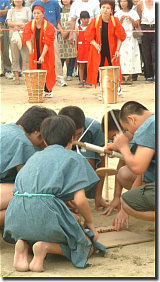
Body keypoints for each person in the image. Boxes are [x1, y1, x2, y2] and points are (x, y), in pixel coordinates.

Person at [2, 115, 106, 272]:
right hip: (45, 213)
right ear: (72, 139)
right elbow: (80, 200)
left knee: (36, 230)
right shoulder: (73, 158)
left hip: (15, 215)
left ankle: (23, 246)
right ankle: (44, 248)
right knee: (87, 245)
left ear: (43, 140)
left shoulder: (34, 156)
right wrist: (90, 223)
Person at [0, 106, 57, 227]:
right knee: (32, 200)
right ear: (37, 131)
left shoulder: (5, 129)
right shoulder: (24, 143)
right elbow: (30, 185)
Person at [105, 101, 155, 231]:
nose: (128, 133)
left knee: (127, 203)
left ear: (132, 119)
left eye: (126, 129)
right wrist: (118, 146)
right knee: (126, 175)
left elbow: (139, 168)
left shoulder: (148, 127)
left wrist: (124, 147)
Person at [58, 105, 107, 211]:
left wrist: (98, 196)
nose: (75, 139)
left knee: (86, 160)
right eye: (71, 135)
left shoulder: (95, 128)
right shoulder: (54, 129)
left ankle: (81, 197)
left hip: (88, 161)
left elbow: (102, 165)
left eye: (79, 133)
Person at [84, 0, 126, 91]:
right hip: (99, 50)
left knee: (113, 68)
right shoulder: (95, 21)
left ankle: (116, 88)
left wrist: (118, 50)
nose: (105, 10)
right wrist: (95, 45)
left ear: (111, 10)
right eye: (103, 7)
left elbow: (120, 36)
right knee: (100, 68)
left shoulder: (115, 21)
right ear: (100, 9)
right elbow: (88, 35)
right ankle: (103, 89)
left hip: (112, 49)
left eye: (108, 8)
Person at [22, 5, 56, 97]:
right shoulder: (29, 25)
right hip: (34, 50)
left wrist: (42, 56)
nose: (36, 15)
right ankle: (36, 89)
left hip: (46, 50)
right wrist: (30, 49)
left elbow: (47, 43)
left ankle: (47, 90)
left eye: (38, 13)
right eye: (34, 13)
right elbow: (27, 38)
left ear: (43, 14)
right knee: (34, 68)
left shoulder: (48, 26)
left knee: (47, 68)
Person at [32, 0, 68, 87]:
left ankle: (59, 78)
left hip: (51, 31)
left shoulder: (55, 3)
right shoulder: (35, 3)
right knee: (38, 55)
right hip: (38, 31)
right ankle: (38, 79)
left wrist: (60, 31)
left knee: (55, 55)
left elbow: (57, 20)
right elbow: (32, 19)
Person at [114, 0, 142, 84]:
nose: (123, 3)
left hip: (131, 38)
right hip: (121, 39)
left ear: (128, 3)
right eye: (121, 1)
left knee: (131, 56)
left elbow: (137, 25)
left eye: (124, 1)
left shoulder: (133, 12)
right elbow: (115, 26)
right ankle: (121, 76)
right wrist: (121, 21)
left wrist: (131, 19)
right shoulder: (117, 13)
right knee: (121, 57)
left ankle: (130, 77)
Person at [6, 0, 31, 84]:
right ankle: (16, 77)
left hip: (25, 34)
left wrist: (22, 26)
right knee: (14, 56)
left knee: (26, 56)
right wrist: (16, 25)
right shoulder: (10, 11)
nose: (17, 0)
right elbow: (9, 22)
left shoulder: (27, 9)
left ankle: (26, 76)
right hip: (14, 35)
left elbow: (30, 21)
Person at [137, 0, 155, 82]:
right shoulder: (140, 3)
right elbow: (139, 18)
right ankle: (149, 75)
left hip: (155, 27)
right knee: (146, 53)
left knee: (155, 53)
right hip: (145, 28)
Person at [59, 0, 76, 81]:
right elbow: (57, 21)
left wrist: (70, 31)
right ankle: (60, 74)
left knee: (72, 55)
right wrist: (62, 32)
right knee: (61, 55)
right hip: (61, 34)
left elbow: (75, 21)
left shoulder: (74, 9)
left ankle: (69, 73)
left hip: (72, 34)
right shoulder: (59, 9)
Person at [75, 11, 91, 88]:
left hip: (89, 48)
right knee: (81, 65)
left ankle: (88, 81)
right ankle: (81, 81)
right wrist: (76, 50)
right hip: (81, 49)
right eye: (84, 18)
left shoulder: (91, 27)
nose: (86, 20)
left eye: (87, 18)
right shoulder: (77, 28)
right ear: (81, 19)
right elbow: (76, 40)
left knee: (89, 66)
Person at [0, 0, 13, 79]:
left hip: (3, 25)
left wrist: (5, 11)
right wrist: (2, 11)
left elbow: (7, 12)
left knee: (5, 48)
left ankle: (7, 70)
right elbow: (4, 12)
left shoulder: (5, 0)